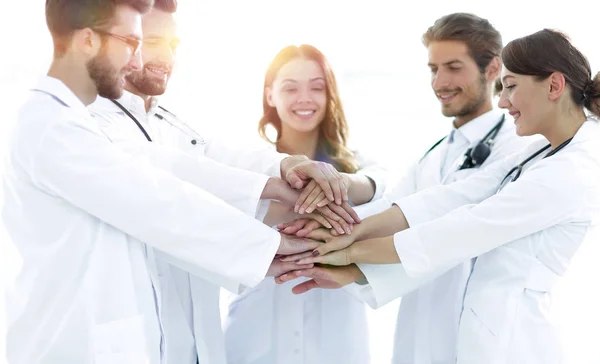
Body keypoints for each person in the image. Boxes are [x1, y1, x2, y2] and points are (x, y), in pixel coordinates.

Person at [1, 1, 350, 363]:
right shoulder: (55, 127)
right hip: (73, 346)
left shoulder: (141, 119)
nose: (138, 61)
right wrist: (267, 242)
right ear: (88, 41)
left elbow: (211, 154)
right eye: (133, 42)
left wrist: (282, 167)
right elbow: (155, 195)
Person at [280, 28, 600, 364]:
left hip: (515, 343)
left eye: (512, 86)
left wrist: (351, 254)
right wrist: (355, 232)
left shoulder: (571, 170)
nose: (504, 100)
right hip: (479, 330)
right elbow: (454, 196)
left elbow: (466, 228)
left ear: (554, 86)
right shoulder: (539, 151)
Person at [222, 44, 386, 364]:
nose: (305, 99)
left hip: (338, 342)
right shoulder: (245, 172)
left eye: (316, 87)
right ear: (270, 95)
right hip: (254, 337)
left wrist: (339, 185)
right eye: (290, 88)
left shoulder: (362, 168)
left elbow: (384, 195)